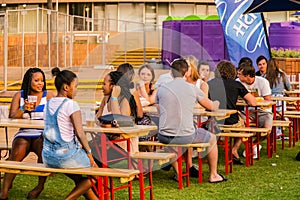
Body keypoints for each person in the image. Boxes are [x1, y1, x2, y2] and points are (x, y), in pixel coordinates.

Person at [156, 58, 227, 183]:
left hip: (164, 135)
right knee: (212, 138)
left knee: (173, 144)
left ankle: (179, 173)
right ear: (187, 73)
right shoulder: (192, 88)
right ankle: (214, 175)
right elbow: (211, 106)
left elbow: (158, 110)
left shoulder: (162, 88)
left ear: (171, 73)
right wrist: (217, 102)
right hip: (186, 135)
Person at [42, 68, 98, 200]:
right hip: (66, 156)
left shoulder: (48, 103)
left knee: (80, 178)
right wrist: (89, 154)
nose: (77, 90)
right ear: (66, 87)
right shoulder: (71, 104)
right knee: (95, 174)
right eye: (76, 86)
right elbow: (80, 133)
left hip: (48, 157)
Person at [0, 68, 54, 200]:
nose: (40, 83)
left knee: (44, 153)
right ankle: (5, 191)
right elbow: (12, 117)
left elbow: (55, 116)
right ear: (29, 81)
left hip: (41, 134)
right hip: (24, 133)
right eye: (36, 80)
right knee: (16, 153)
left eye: (42, 80)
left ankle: (38, 188)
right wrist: (23, 108)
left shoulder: (49, 96)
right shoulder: (20, 95)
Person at [208, 61, 257, 164]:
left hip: (213, 121)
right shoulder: (236, 84)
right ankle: (234, 149)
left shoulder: (209, 83)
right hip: (231, 121)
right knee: (245, 125)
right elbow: (253, 101)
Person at [236, 61, 273, 159]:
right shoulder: (238, 82)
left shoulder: (262, 82)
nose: (237, 75)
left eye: (240, 74)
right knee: (238, 126)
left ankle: (253, 144)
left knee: (267, 129)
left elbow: (268, 100)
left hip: (263, 111)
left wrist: (255, 100)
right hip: (245, 111)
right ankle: (247, 147)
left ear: (247, 75)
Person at [266, 58, 292, 137]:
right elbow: (289, 88)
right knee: (280, 114)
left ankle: (275, 132)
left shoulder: (265, 76)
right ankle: (282, 126)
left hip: (269, 99)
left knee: (271, 115)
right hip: (280, 99)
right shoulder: (282, 74)